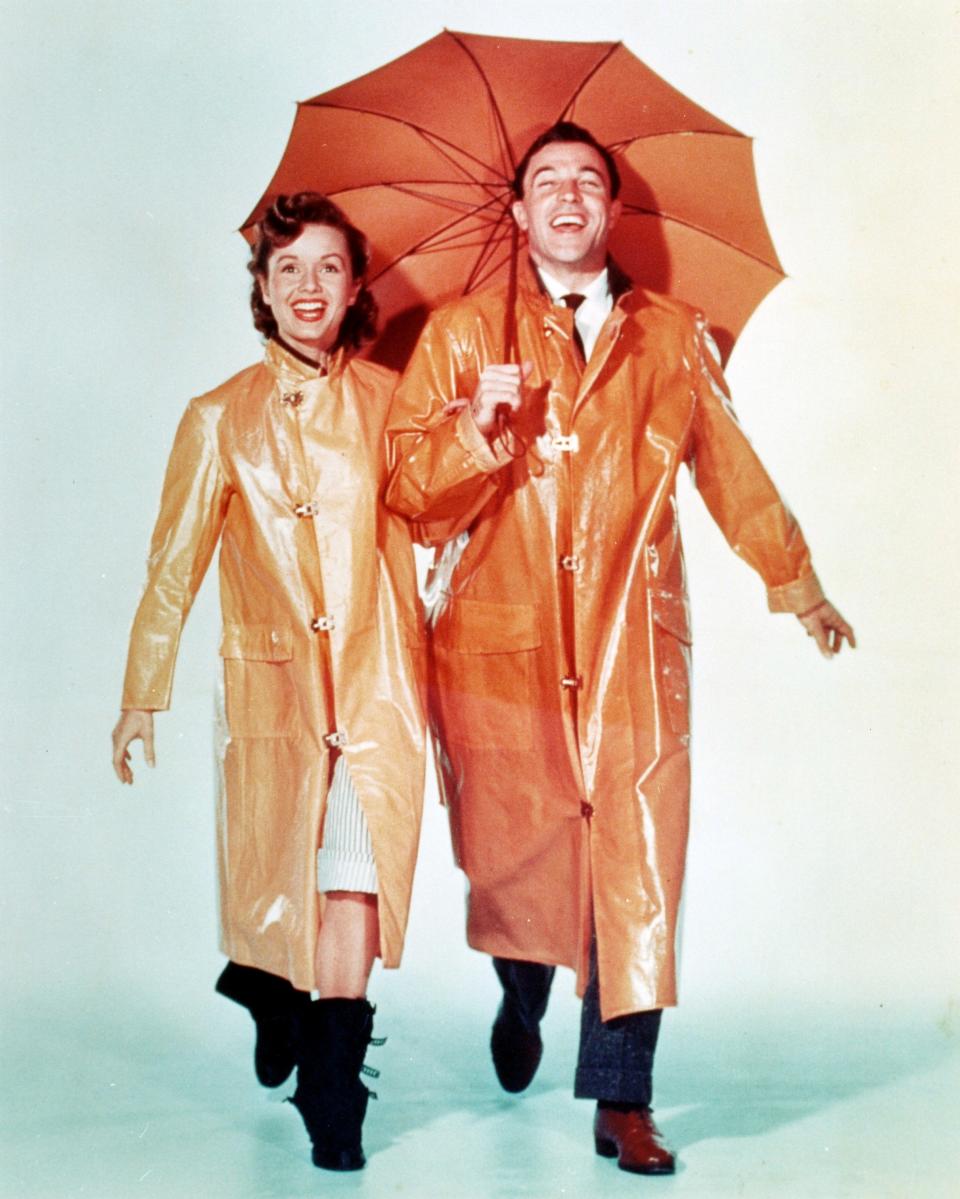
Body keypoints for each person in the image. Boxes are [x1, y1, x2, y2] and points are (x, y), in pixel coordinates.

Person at [384, 122, 854, 1176]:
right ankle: (521, 988)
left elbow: (732, 465)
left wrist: (797, 580)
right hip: (497, 643)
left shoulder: (673, 335)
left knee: (634, 868)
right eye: (544, 181)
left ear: (609, 209)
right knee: (516, 860)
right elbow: (408, 497)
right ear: (517, 213)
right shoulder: (464, 335)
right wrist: (475, 429)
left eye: (585, 181)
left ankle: (622, 1099)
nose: (565, 196)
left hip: (631, 642)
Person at [111, 193, 425, 1172]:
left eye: (328, 267)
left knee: (355, 880)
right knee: (282, 875)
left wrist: (488, 429)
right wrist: (140, 691)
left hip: (375, 681)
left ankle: (332, 1088)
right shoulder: (217, 416)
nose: (307, 287)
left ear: (355, 285)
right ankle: (265, 985)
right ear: (260, 287)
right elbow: (174, 563)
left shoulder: (393, 399)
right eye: (286, 268)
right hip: (275, 687)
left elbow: (438, 502)